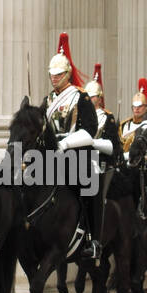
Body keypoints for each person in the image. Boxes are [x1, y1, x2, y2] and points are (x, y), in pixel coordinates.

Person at [43, 33, 100, 261]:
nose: (54, 78)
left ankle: (93, 239)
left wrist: (64, 143)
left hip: (77, 154)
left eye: (59, 74)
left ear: (67, 74)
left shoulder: (81, 97)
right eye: (52, 74)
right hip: (50, 156)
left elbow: (90, 130)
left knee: (90, 188)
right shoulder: (47, 100)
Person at [84, 63, 120, 251]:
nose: (91, 100)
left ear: (100, 98)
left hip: (102, 164)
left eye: (94, 97)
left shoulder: (108, 118)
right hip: (82, 162)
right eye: (88, 96)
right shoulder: (80, 117)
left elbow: (112, 146)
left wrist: (91, 142)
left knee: (98, 198)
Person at [120, 79, 147, 156]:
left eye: (140, 106)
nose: (136, 109)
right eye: (135, 106)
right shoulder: (124, 125)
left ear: (146, 107)